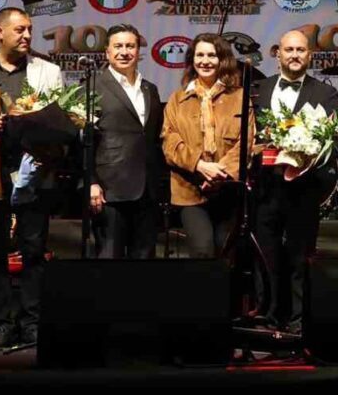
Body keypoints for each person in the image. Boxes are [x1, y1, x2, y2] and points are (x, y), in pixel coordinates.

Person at [0, 7, 65, 350]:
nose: (27, 35)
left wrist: (38, 131)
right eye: (19, 30)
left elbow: (62, 124)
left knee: (33, 251)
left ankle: (32, 324)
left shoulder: (49, 71)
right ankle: (2, 324)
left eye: (29, 29)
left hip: (35, 174)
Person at [252, 29, 338, 333]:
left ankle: (298, 323)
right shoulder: (259, 89)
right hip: (265, 188)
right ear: (278, 54)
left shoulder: (325, 93)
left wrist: (313, 151)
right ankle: (266, 319)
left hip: (305, 189)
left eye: (300, 50)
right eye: (289, 50)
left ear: (309, 55)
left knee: (300, 259)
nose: (294, 55)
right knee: (266, 257)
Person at [161, 33, 246, 258]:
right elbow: (170, 142)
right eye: (200, 55)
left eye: (212, 55)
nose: (205, 61)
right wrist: (200, 165)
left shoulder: (240, 97)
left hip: (228, 189)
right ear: (192, 60)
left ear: (222, 60)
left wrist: (219, 174)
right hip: (189, 190)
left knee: (226, 253)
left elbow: (246, 142)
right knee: (202, 251)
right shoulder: (176, 100)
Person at [88, 25, 167, 259]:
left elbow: (153, 138)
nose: (124, 52)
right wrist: (91, 182)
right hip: (110, 191)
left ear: (138, 51)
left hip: (147, 191)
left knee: (144, 263)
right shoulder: (92, 86)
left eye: (130, 46)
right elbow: (83, 141)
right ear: (107, 52)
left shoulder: (150, 89)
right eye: (118, 46)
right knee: (109, 261)